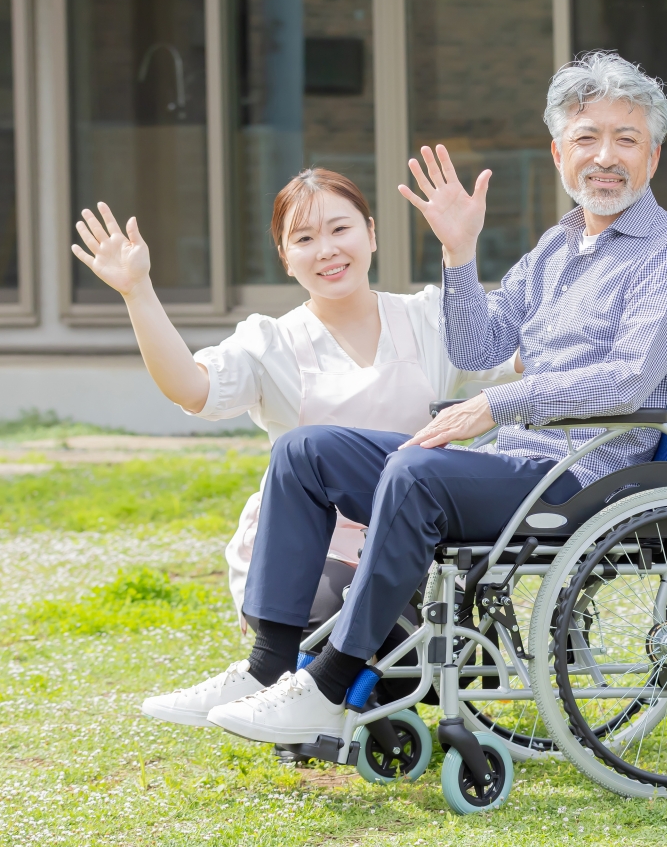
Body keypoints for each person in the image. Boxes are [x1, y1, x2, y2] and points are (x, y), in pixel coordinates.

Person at [151, 52, 667, 745]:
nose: (605, 156)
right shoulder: (558, 247)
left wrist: (496, 407)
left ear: (653, 156)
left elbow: (629, 379)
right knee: (305, 451)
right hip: (521, 466)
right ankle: (267, 668)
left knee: (417, 472)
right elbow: (479, 348)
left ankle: (327, 687)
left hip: (588, 476)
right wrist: (459, 253)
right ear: (559, 153)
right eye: (586, 138)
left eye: (625, 139)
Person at [69, 168, 512, 727]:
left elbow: (518, 356)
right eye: (304, 239)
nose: (327, 250)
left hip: (416, 543)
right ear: (284, 258)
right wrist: (138, 292)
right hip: (307, 553)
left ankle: (321, 685)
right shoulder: (269, 341)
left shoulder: (428, 317)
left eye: (340, 229)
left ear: (372, 234)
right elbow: (191, 387)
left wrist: (461, 248)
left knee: (399, 645)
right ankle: (277, 672)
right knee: (322, 613)